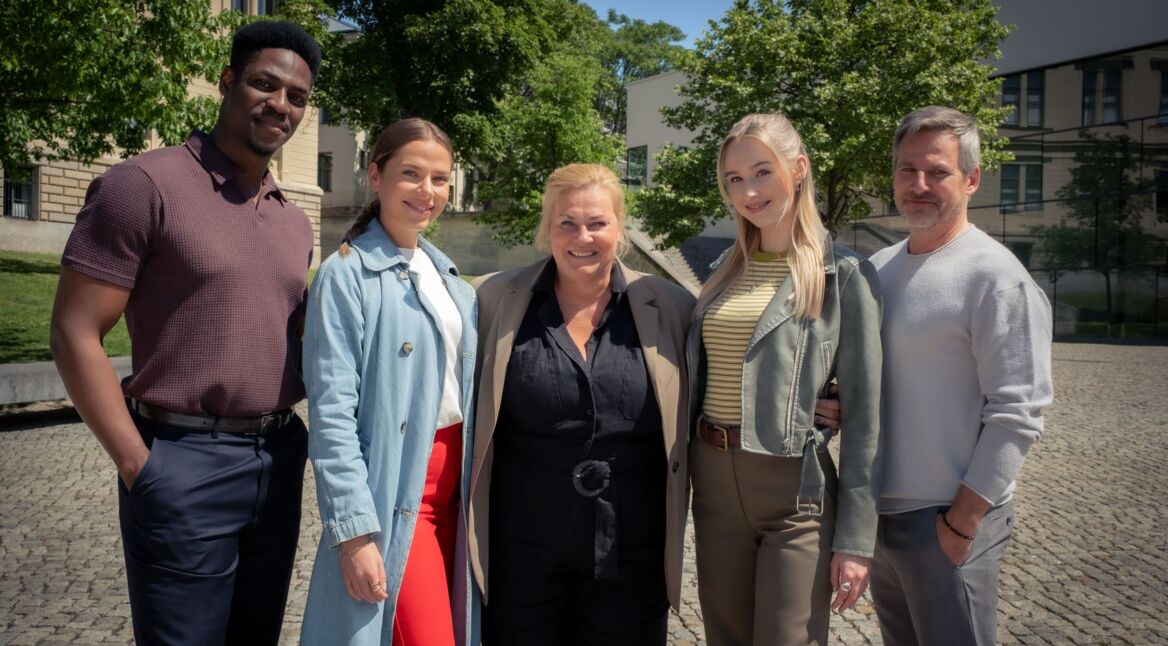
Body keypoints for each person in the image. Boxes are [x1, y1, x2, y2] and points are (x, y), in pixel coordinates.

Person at [49, 21, 320, 645]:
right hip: (181, 460)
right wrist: (139, 465)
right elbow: (73, 331)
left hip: (277, 461)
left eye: (297, 97)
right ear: (227, 83)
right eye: (263, 84)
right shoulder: (143, 185)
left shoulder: (292, 220)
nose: (280, 105)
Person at [468, 163, 695, 645]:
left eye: (597, 223)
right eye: (567, 222)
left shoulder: (671, 307)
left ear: (620, 228)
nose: (582, 237)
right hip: (521, 552)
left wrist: (824, 399)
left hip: (632, 552)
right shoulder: (494, 301)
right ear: (547, 229)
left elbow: (726, 374)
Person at [687, 113, 883, 646]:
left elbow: (866, 420)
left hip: (796, 493)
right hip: (713, 484)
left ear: (798, 170)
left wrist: (857, 541)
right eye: (733, 179)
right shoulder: (722, 272)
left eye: (761, 172)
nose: (748, 191)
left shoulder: (843, 276)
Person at [866, 106, 1053, 646]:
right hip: (879, 516)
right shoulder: (878, 270)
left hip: (947, 521)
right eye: (907, 169)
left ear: (971, 179)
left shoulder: (995, 277)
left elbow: (1019, 412)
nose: (918, 184)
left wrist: (962, 522)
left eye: (937, 171)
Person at [299, 118, 479, 646]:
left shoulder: (449, 278)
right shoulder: (343, 275)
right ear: (375, 176)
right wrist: (354, 533)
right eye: (411, 174)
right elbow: (331, 412)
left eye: (441, 179)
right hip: (398, 495)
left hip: (457, 497)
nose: (428, 192)